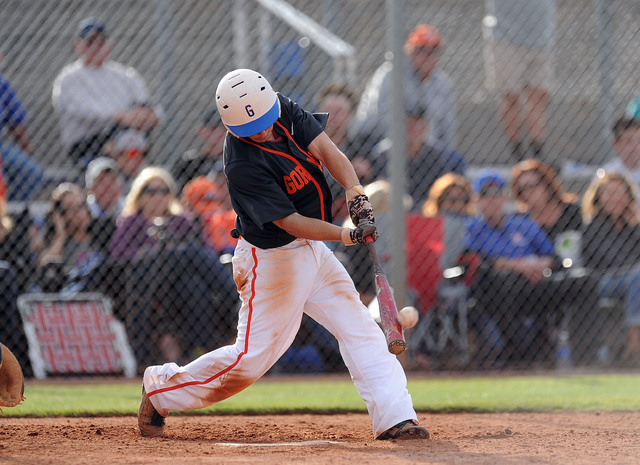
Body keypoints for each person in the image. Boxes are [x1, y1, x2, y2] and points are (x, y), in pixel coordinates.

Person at [137, 68, 429, 441]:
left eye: (263, 120)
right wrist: (346, 234)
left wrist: (354, 189)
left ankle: (396, 417)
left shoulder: (282, 109)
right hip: (272, 260)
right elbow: (291, 223)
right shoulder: (241, 162)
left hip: (313, 251)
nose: (261, 130)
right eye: (250, 127)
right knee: (250, 360)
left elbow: (327, 150)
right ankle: (160, 388)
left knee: (359, 328)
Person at [110, 166, 237, 367]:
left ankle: (199, 352)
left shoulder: (181, 220)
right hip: (148, 280)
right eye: (151, 191)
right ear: (140, 195)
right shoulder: (131, 221)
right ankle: (235, 299)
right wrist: (151, 252)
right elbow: (118, 255)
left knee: (193, 285)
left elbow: (206, 249)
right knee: (187, 253)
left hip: (178, 284)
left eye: (164, 191)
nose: (158, 196)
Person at [464, 169, 563, 365]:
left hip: (534, 281)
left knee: (581, 282)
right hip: (492, 290)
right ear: (476, 200)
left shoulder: (524, 224)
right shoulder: (470, 228)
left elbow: (553, 256)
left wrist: (541, 265)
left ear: (505, 198)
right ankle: (518, 353)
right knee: (506, 279)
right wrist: (519, 266)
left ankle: (586, 356)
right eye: (485, 195)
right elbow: (475, 260)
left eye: (497, 193)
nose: (492, 200)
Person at [511, 159, 602, 364]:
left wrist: (553, 263)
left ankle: (586, 359)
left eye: (533, 185)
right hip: (535, 282)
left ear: (547, 184)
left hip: (572, 275)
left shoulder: (573, 213)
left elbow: (590, 248)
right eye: (522, 189)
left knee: (585, 283)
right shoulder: (518, 221)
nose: (528, 193)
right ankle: (535, 360)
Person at [52, 17, 163, 166]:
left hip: (126, 134)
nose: (96, 46)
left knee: (131, 138)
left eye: (101, 41)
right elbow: (83, 112)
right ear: (78, 45)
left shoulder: (126, 75)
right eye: (90, 41)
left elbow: (151, 109)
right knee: (122, 141)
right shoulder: (68, 78)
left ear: (109, 44)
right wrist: (120, 116)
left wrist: (148, 116)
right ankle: (126, 171)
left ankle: (131, 172)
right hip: (88, 143)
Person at [355, 24, 459, 153]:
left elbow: (448, 128)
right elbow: (380, 118)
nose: (429, 57)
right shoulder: (391, 74)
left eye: (434, 51)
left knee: (454, 162)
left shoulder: (442, 83)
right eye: (423, 51)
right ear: (411, 52)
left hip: (427, 151)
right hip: (385, 143)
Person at [483, 0, 557, 161]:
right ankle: (517, 153)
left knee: (539, 96)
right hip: (505, 36)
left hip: (541, 35)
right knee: (511, 97)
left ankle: (538, 153)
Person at [581, 172, 640, 367]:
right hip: (602, 281)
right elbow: (614, 261)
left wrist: (634, 229)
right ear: (599, 198)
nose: (615, 198)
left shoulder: (634, 225)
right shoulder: (593, 227)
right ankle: (634, 343)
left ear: (629, 197)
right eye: (609, 193)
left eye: (619, 193)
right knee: (637, 277)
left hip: (633, 281)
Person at [371, 105, 466, 209]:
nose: (415, 129)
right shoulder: (384, 153)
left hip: (427, 209)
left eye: (419, 124)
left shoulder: (435, 156)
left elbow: (442, 189)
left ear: (425, 127)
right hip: (392, 209)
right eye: (410, 125)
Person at [36, 182, 104, 294]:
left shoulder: (100, 237)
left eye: (82, 205)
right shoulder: (61, 244)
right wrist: (60, 234)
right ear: (62, 216)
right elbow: (45, 267)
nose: (80, 213)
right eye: (72, 209)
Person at [0, 73, 43, 201]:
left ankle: (9, 213)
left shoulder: (1, 84)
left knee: (32, 170)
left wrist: (27, 151)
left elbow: (17, 122)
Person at [172, 108, 226, 190]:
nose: (220, 133)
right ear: (201, 131)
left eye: (225, 128)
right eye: (213, 128)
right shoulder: (190, 163)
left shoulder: (242, 159)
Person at [600, 117, 640, 190]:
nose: (636, 146)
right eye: (628, 140)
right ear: (616, 144)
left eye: (638, 140)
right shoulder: (609, 173)